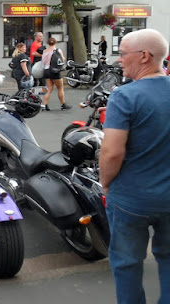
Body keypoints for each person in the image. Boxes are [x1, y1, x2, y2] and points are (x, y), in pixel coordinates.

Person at [99, 29, 170, 304]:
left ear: (144, 56)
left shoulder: (124, 96)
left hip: (132, 199)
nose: (119, 60)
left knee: (127, 262)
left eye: (124, 53)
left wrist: (106, 183)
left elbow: (112, 152)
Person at [41, 37, 71, 111]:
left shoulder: (44, 51)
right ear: (55, 42)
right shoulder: (58, 50)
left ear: (48, 43)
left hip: (46, 70)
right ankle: (63, 104)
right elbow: (62, 59)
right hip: (55, 71)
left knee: (49, 88)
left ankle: (44, 105)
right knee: (60, 88)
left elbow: (43, 61)